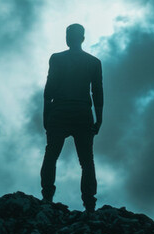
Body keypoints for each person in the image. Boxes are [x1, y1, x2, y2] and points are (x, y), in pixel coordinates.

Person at [41, 23, 103, 212]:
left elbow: (49, 88)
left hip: (59, 111)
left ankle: (47, 197)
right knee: (86, 160)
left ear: (68, 38)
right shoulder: (93, 62)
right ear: (82, 38)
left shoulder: (57, 58)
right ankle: (89, 204)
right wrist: (99, 118)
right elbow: (97, 93)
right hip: (82, 113)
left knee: (51, 155)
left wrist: (46, 114)